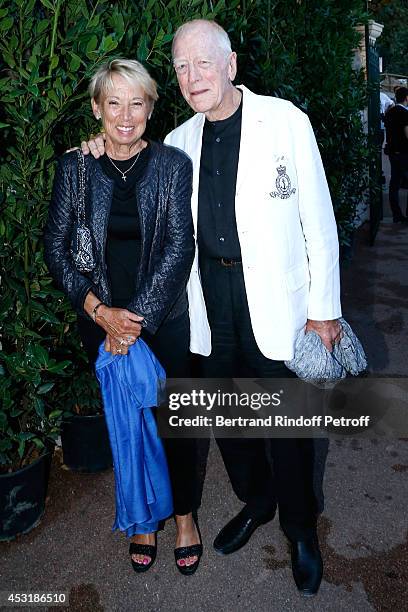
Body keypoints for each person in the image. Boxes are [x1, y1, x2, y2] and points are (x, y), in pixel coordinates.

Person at [82, 20, 342, 596]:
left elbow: (319, 224)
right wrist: (99, 146)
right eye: (180, 66)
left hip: (277, 300)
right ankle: (258, 501)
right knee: (230, 424)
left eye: (204, 63)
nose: (192, 76)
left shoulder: (286, 121)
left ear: (229, 65)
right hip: (206, 302)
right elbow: (125, 175)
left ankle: (301, 531)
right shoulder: (176, 142)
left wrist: (324, 311)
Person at [44, 59, 205, 575]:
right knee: (128, 423)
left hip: (161, 320)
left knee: (172, 422)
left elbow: (180, 247)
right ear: (97, 109)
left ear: (151, 108)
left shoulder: (173, 166)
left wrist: (132, 320)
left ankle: (183, 516)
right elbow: (56, 247)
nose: (125, 114)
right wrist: (100, 313)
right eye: (113, 102)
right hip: (100, 318)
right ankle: (141, 517)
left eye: (137, 102)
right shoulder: (74, 167)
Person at [384, 86, 408, 223]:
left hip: (393, 152)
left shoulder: (390, 112)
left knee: (394, 184)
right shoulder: (405, 114)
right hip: (405, 153)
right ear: (406, 98)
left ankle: (397, 215)